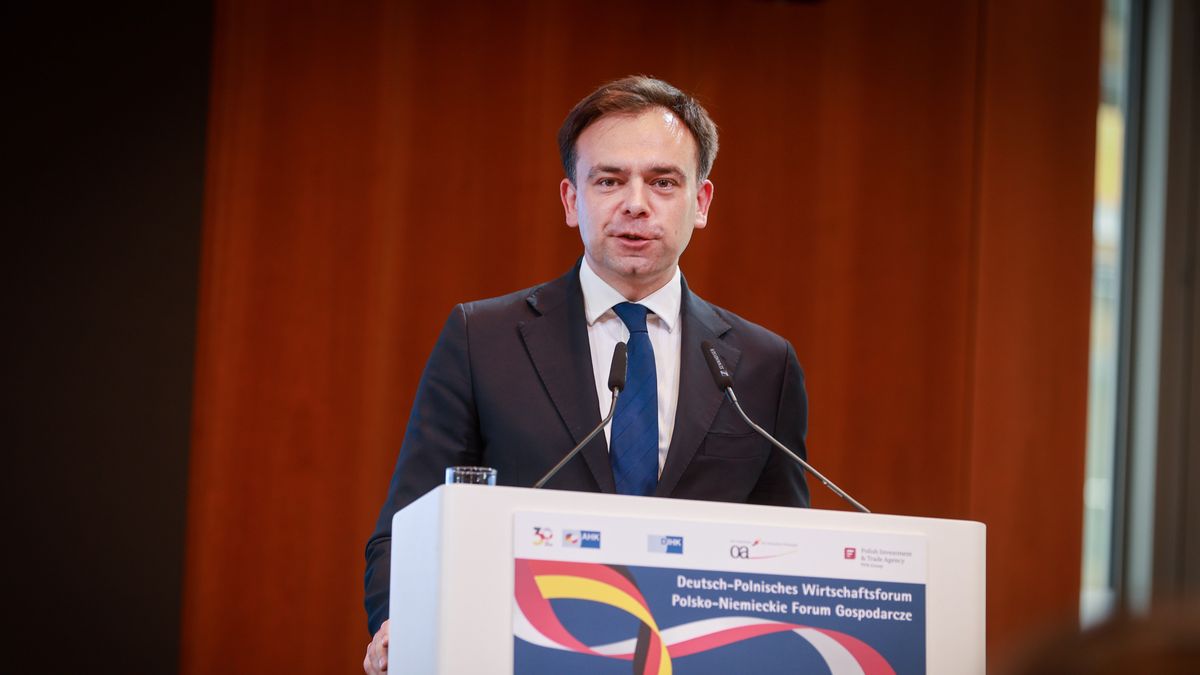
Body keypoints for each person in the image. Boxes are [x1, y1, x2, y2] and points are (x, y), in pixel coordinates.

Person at [362, 75, 810, 674]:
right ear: (573, 201)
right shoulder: (483, 339)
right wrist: (406, 623)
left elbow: (792, 554)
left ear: (700, 204)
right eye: (608, 180)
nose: (635, 203)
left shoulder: (761, 365)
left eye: (662, 182)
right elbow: (407, 530)